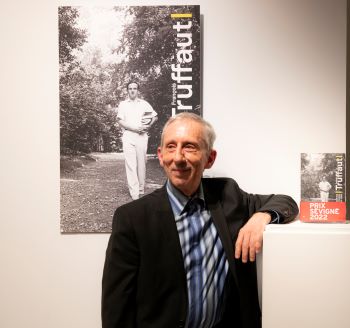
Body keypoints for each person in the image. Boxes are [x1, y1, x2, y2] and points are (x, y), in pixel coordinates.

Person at [102, 113, 298, 328]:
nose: (177, 157)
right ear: (160, 155)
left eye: (189, 147)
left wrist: (262, 216)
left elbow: (286, 202)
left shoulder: (228, 195)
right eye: (170, 146)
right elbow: (117, 307)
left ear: (210, 158)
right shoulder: (132, 218)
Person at [116, 82, 158, 200]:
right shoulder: (123, 104)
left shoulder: (144, 104)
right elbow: (120, 121)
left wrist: (148, 126)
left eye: (134, 88)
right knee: (130, 164)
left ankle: (140, 188)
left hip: (142, 136)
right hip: (128, 135)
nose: (132, 90)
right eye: (130, 89)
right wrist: (133, 128)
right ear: (127, 90)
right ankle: (134, 192)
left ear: (138, 90)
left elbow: (155, 116)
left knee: (141, 163)